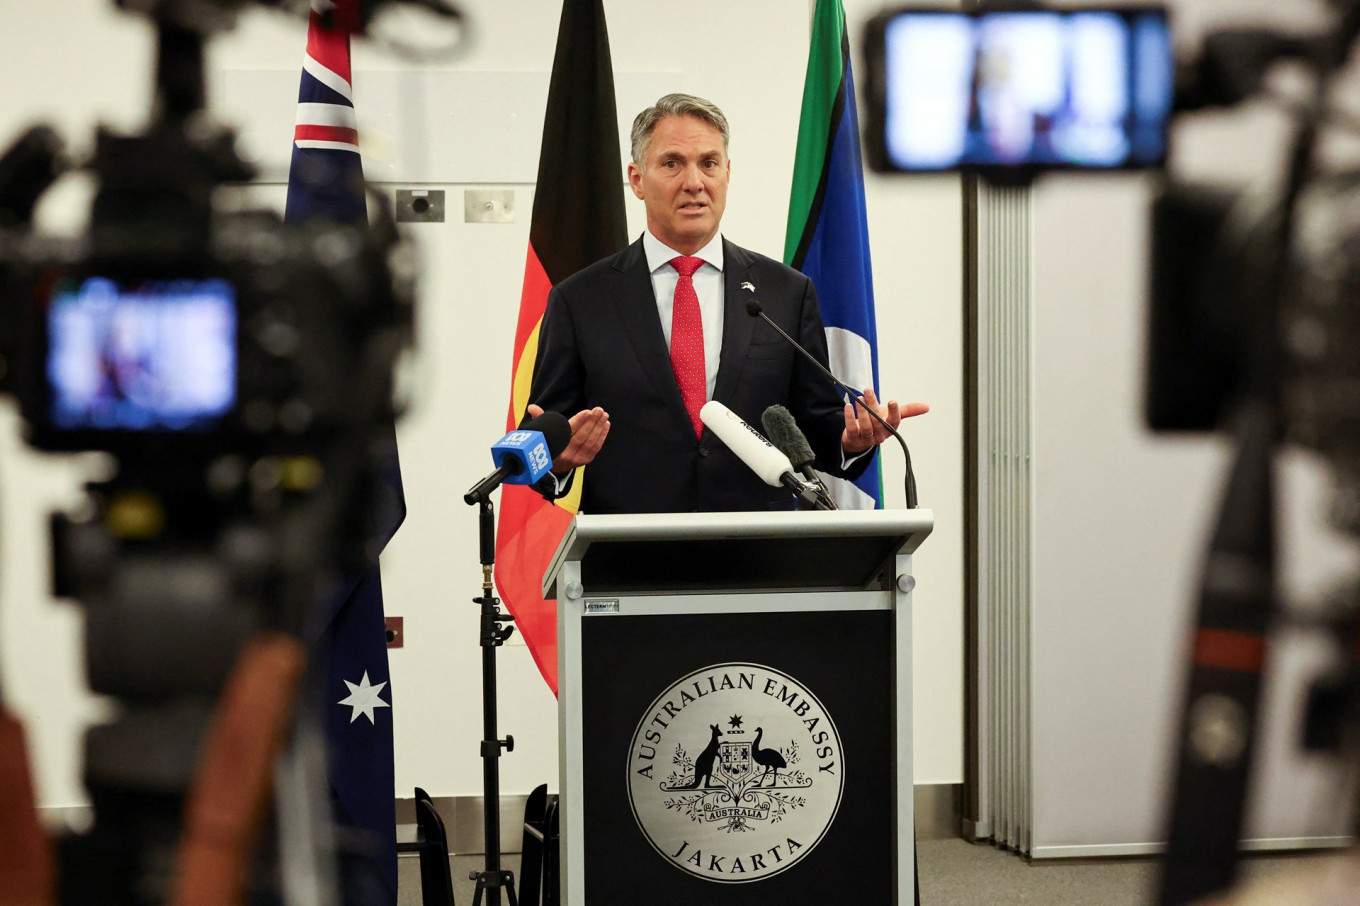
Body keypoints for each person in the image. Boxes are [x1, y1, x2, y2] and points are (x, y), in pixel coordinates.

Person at [525, 93, 926, 514]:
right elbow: (543, 430)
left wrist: (849, 442)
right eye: (672, 163)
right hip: (629, 558)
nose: (694, 182)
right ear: (637, 179)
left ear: (727, 173)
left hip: (758, 554)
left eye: (709, 163)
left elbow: (813, 424)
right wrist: (555, 461)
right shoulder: (580, 298)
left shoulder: (785, 292)